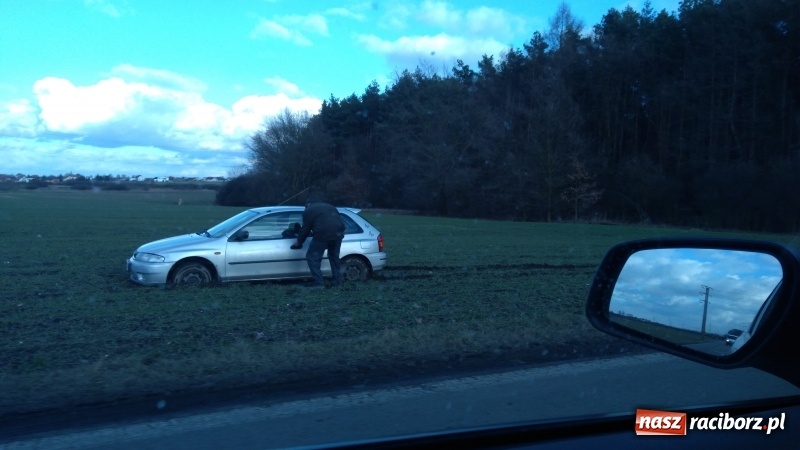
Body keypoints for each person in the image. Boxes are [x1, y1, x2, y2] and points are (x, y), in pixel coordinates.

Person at [290, 196, 345, 288]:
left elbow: (305, 229)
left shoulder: (308, 210)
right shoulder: (330, 206)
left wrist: (299, 242)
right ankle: (337, 281)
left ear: (308, 204)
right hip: (338, 233)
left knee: (312, 257)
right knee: (334, 257)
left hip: (322, 234)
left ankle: (318, 283)